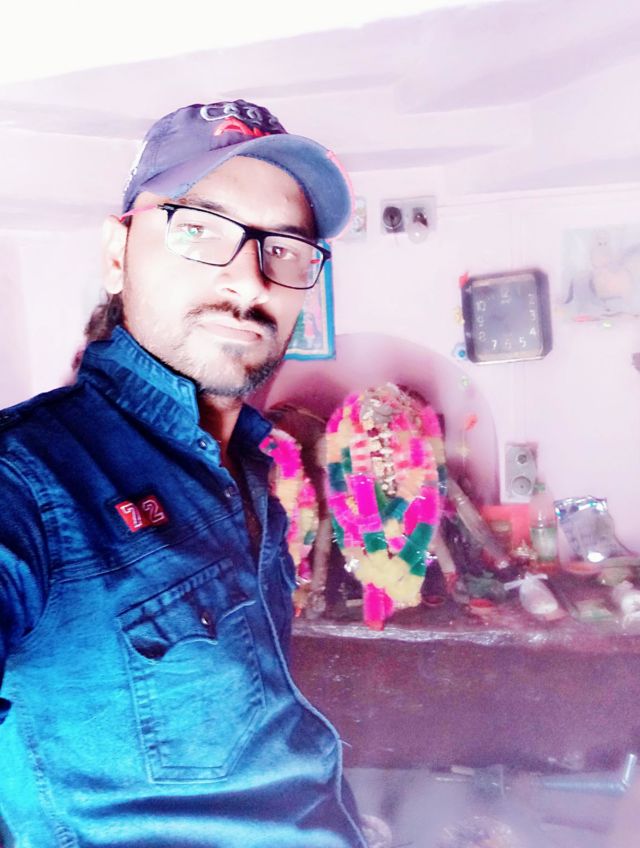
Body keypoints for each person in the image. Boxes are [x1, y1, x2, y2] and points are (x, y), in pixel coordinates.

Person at [0, 99, 367, 848]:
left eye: (284, 248)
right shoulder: (28, 479)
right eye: (199, 230)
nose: (250, 283)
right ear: (117, 255)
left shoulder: (251, 469)